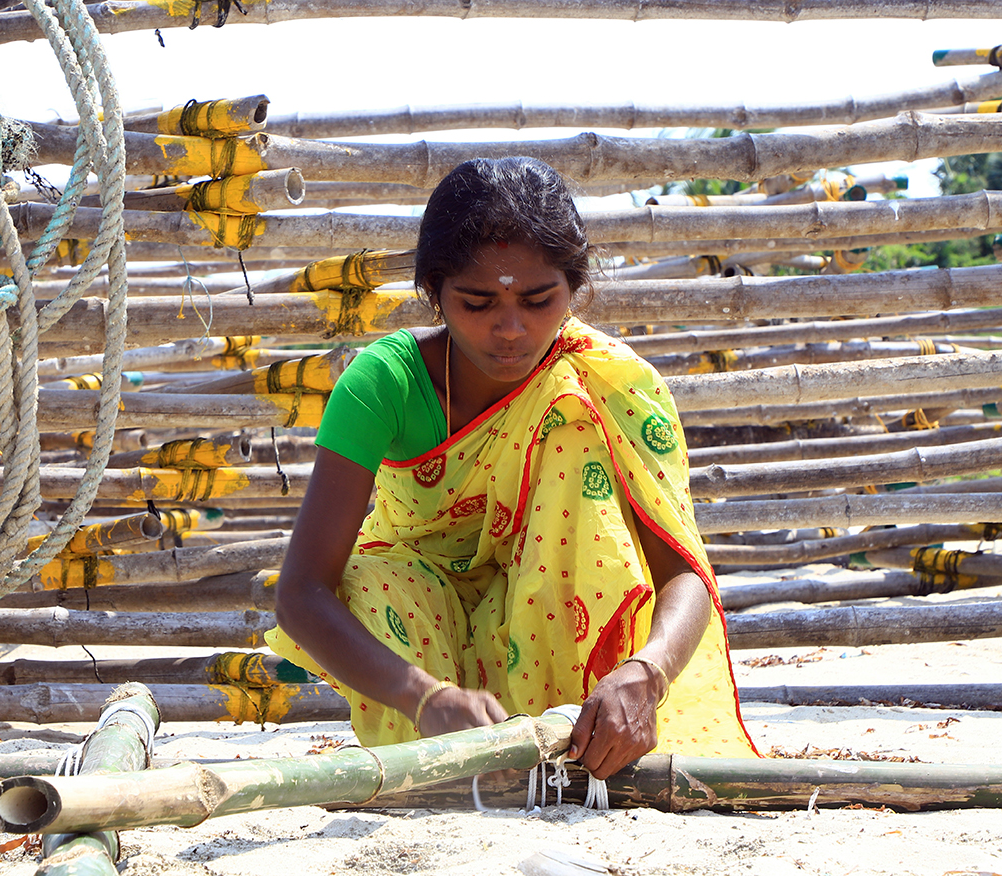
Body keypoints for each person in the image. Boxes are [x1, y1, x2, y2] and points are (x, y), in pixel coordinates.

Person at [267, 157, 757, 780]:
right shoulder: (383, 384)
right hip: (418, 632)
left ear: (573, 288)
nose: (510, 328)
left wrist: (646, 672)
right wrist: (427, 697)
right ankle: (443, 770)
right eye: (477, 302)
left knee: (574, 430)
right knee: (368, 579)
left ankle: (574, 753)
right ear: (434, 294)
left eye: (538, 299)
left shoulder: (603, 385)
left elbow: (685, 577)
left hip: (553, 621)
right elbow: (301, 592)